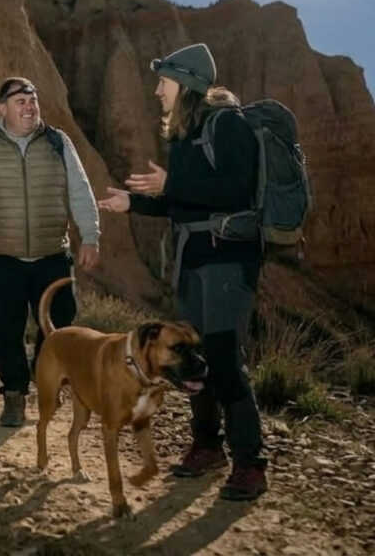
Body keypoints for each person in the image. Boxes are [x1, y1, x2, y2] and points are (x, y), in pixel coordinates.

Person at [97, 43, 267, 501]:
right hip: (194, 259)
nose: (157, 91)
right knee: (195, 357)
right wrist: (133, 202)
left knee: (225, 359)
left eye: (164, 81)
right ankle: (208, 447)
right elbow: (182, 201)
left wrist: (172, 183)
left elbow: (236, 189)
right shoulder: (187, 134)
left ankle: (250, 464)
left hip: (228, 258)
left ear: (187, 83)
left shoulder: (227, 124)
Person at [0, 77, 100, 427]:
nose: (29, 107)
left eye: (32, 100)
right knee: (5, 330)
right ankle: (14, 393)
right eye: (20, 101)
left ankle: (42, 373)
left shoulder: (58, 143)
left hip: (52, 255)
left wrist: (90, 236)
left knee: (59, 325)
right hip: (1, 258)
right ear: (2, 108)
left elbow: (80, 191)